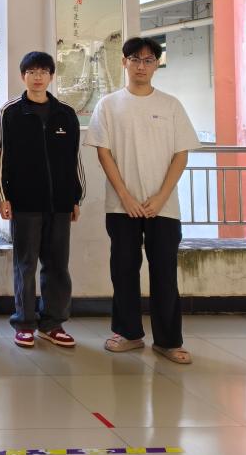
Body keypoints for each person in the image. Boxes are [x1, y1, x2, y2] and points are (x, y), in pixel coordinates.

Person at [86, 36, 200, 365]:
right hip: (121, 206)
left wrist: (161, 197)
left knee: (164, 272)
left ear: (156, 65)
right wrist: (125, 195)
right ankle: (129, 333)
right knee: (124, 270)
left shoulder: (170, 105)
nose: (141, 66)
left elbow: (181, 155)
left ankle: (168, 341)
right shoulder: (109, 105)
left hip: (163, 207)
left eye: (148, 60)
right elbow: (104, 154)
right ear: (124, 62)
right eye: (135, 59)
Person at [0, 51, 83, 349]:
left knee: (58, 265)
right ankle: (24, 323)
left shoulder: (66, 114)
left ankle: (52, 323)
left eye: (43, 71)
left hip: (60, 204)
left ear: (51, 76)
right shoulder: (10, 112)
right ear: (23, 76)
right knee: (26, 265)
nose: (37, 77)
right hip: (24, 203)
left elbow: (74, 160)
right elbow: (1, 157)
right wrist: (2, 195)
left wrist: (75, 197)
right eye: (31, 72)